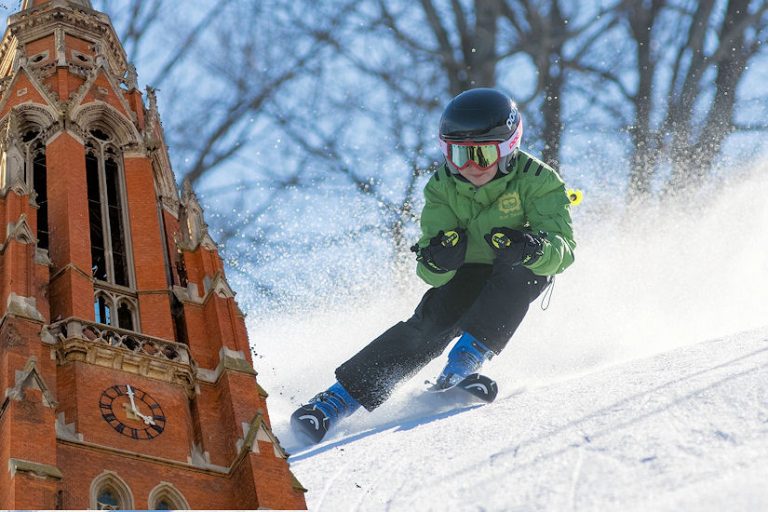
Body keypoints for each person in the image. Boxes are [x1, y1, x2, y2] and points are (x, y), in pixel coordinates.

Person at [291, 88, 576, 444]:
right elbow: (429, 271)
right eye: (458, 154)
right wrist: (438, 260)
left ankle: (463, 364)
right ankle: (335, 402)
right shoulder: (442, 186)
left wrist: (532, 248)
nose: (470, 166)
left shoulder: (538, 180)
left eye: (483, 154)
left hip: (516, 267)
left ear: (508, 148)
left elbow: (564, 249)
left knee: (524, 273)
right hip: (467, 271)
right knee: (430, 323)